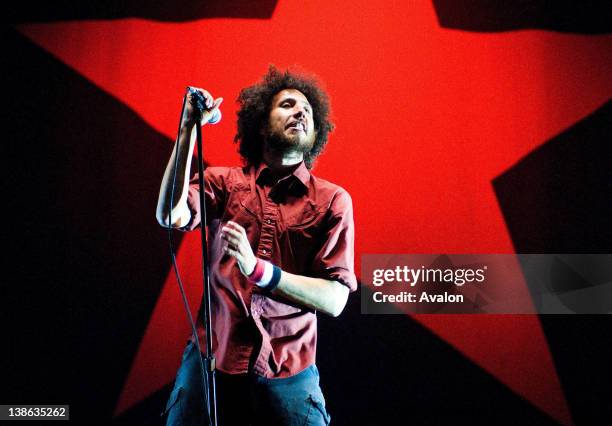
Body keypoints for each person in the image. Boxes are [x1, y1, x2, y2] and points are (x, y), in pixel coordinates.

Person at [156, 66, 357, 425]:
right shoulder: (223, 182)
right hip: (210, 364)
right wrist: (188, 128)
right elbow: (170, 215)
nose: (301, 112)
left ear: (317, 130)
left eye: (308, 110)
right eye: (288, 104)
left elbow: (336, 299)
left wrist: (259, 271)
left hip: (290, 373)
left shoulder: (332, 200)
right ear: (262, 125)